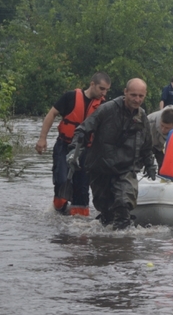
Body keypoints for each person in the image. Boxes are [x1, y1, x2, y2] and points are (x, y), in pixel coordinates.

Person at [68, 78, 156, 230]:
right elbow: (83, 129)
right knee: (106, 211)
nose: (137, 99)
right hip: (100, 167)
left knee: (123, 202)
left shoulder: (142, 117)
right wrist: (74, 150)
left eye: (141, 96)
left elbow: (147, 145)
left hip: (126, 168)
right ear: (125, 92)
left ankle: (123, 244)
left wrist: (149, 164)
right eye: (133, 95)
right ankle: (107, 246)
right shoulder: (106, 109)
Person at [35, 72, 111, 216]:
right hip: (65, 146)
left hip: (87, 151)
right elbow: (51, 114)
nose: (104, 93)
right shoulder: (70, 97)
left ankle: (78, 225)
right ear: (92, 84)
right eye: (102, 88)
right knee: (62, 179)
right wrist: (42, 138)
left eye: (106, 90)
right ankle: (59, 211)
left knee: (82, 189)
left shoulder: (103, 106)